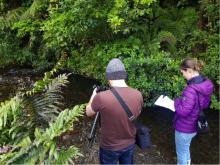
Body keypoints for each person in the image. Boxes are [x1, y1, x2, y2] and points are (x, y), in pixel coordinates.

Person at [86, 58, 143, 164]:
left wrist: (93, 95)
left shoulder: (102, 97)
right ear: (124, 75)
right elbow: (137, 113)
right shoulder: (138, 94)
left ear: (109, 77)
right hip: (130, 144)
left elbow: (88, 112)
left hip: (109, 147)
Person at [173, 58, 214, 165]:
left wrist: (177, 102)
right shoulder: (206, 83)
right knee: (186, 148)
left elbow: (183, 112)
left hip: (184, 128)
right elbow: (205, 104)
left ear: (189, 71)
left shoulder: (191, 89)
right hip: (195, 125)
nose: (183, 75)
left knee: (181, 153)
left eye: (183, 72)